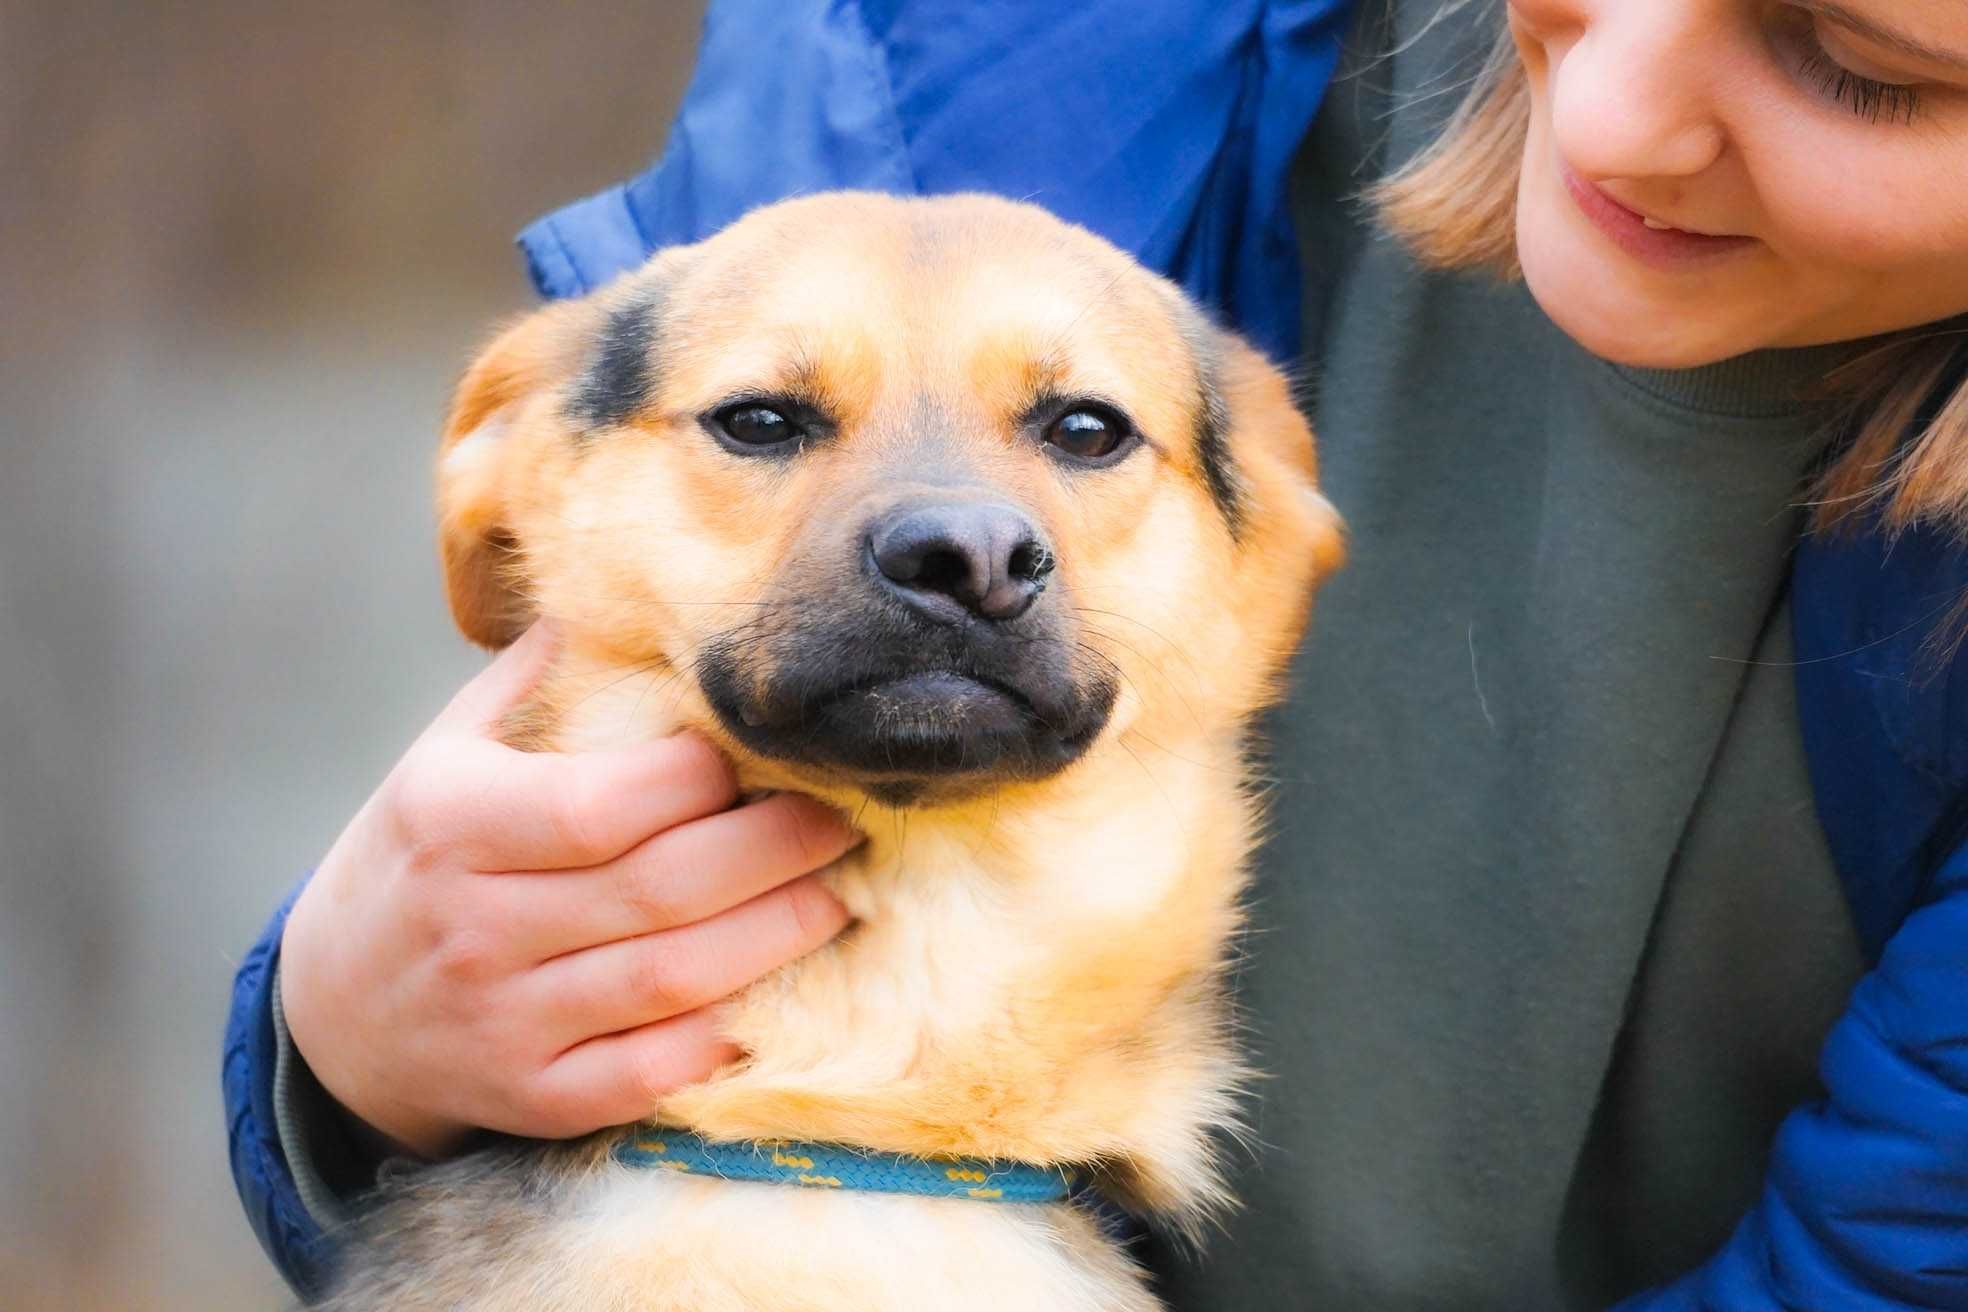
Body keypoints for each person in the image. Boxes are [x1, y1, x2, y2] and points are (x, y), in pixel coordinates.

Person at [225, 0, 1968, 1306]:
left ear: (1282, 546)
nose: (1613, 101)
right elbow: (477, 896)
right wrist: (334, 1046)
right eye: (770, 419)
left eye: (1864, 62)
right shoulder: (1013, 44)